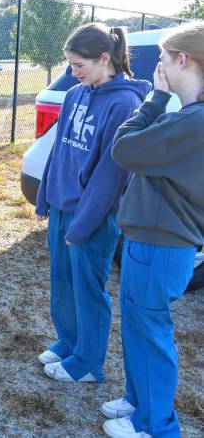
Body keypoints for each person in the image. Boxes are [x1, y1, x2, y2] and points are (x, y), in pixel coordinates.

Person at [102, 23, 204, 438]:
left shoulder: (192, 122)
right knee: (139, 328)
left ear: (182, 60)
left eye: (162, 59)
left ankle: (156, 425)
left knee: (151, 332)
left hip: (162, 245)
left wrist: (155, 100)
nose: (158, 68)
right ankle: (138, 401)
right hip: (151, 241)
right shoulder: (189, 119)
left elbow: (123, 148)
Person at [35, 23, 151, 383]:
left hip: (93, 218)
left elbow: (109, 176)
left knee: (88, 289)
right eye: (70, 65)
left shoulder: (124, 103)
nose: (72, 73)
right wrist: (45, 197)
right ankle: (69, 342)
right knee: (62, 281)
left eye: (78, 66)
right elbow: (59, 151)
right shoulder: (75, 94)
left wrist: (83, 224)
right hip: (62, 207)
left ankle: (87, 362)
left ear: (104, 59)